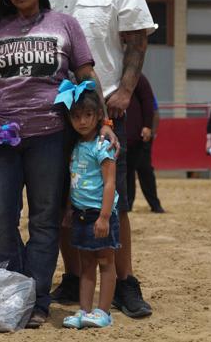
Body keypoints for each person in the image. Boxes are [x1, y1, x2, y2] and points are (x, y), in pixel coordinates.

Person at [0, 0, 113, 328]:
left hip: (50, 137)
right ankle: (14, 293)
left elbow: (86, 75)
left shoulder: (64, 24)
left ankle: (37, 299)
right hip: (0, 138)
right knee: (0, 220)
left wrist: (104, 121)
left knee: (44, 220)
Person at [46, 0, 156, 318]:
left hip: (106, 108)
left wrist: (125, 90)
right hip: (57, 113)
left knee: (116, 200)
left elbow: (137, 40)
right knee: (61, 200)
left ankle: (125, 282)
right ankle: (74, 276)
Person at [58, 84, 120, 329]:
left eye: (88, 115)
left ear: (97, 116)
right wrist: (68, 209)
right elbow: (73, 181)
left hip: (99, 214)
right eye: (76, 116)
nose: (82, 121)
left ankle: (103, 311)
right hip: (80, 215)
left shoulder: (102, 147)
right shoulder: (75, 146)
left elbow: (110, 183)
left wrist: (104, 217)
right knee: (85, 264)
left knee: (105, 261)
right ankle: (84, 311)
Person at [125, 74, 164, 213]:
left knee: (145, 170)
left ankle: (155, 204)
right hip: (126, 137)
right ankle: (127, 204)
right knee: (127, 173)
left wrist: (150, 131)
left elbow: (154, 111)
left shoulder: (139, 79)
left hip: (141, 137)